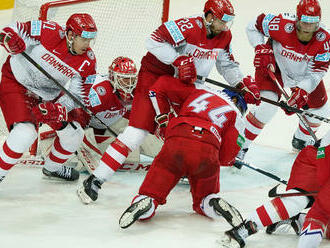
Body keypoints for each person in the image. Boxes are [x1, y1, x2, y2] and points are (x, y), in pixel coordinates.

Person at [77, 0, 261, 204]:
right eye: (222, 21)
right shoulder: (187, 26)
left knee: (189, 130)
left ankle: (187, 171)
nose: (225, 26)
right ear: (209, 17)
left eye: (229, 22)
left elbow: (226, 65)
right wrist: (177, 59)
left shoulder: (224, 36)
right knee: (137, 133)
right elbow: (153, 40)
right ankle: (96, 179)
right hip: (154, 77)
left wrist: (241, 84)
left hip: (186, 86)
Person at [118, 74, 248, 228]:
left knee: (157, 183)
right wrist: (228, 160)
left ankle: (146, 200)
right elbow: (226, 157)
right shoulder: (238, 117)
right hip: (207, 145)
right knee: (204, 198)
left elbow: (159, 87)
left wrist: (163, 117)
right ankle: (211, 201)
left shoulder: (199, 90)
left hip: (178, 134)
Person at [0, 13, 97, 182]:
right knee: (25, 133)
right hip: (18, 82)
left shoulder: (88, 62)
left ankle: (52, 168)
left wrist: (58, 108)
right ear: (70, 35)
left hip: (48, 95)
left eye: (90, 40)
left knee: (75, 134)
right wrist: (10, 39)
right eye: (84, 39)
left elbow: (78, 96)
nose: (88, 45)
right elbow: (10, 30)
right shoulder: (49, 30)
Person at [237, 0, 330, 160]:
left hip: (302, 75)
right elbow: (252, 26)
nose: (308, 28)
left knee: (320, 110)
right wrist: (260, 47)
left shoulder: (325, 39)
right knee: (267, 107)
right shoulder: (280, 24)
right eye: (305, 22)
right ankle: (238, 146)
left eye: (313, 22)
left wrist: (302, 90)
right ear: (297, 19)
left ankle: (301, 139)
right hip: (273, 67)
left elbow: (317, 72)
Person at [220, 130, 330, 248]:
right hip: (316, 160)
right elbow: (323, 156)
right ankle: (244, 229)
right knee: (299, 200)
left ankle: (297, 220)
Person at [33, 56, 138, 174]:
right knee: (77, 154)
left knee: (135, 140)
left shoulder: (137, 90)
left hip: (101, 124)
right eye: (124, 79)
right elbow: (79, 116)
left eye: (131, 79)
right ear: (113, 77)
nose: (129, 84)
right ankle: (49, 140)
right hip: (82, 121)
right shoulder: (100, 93)